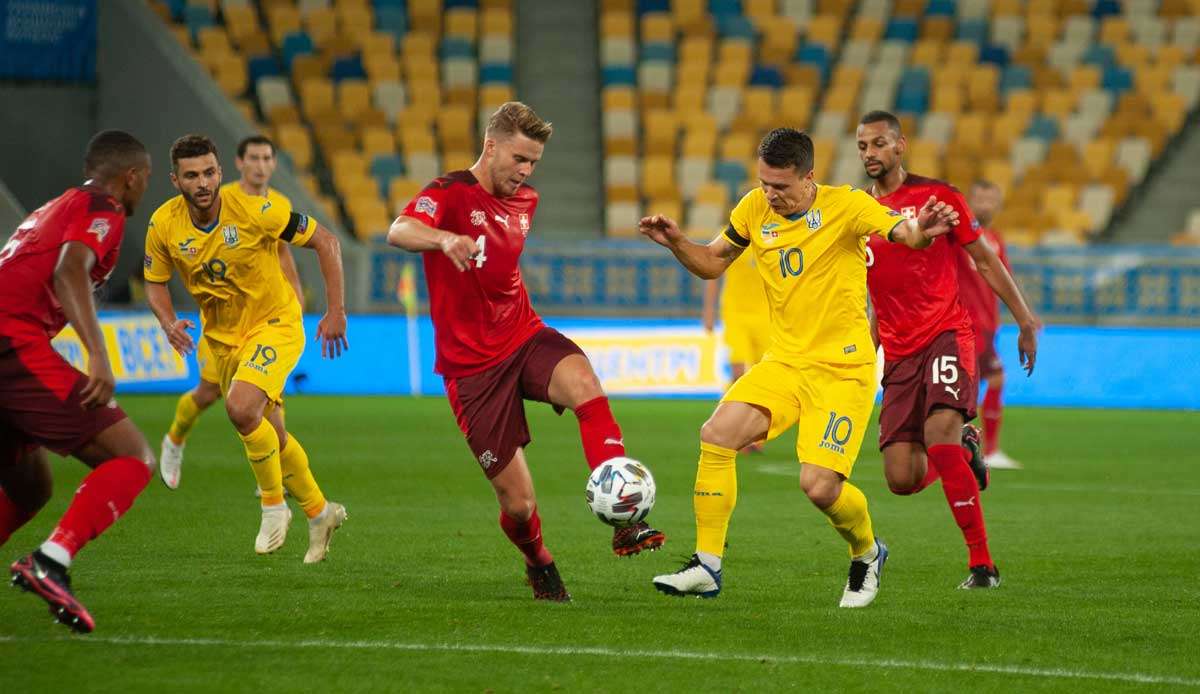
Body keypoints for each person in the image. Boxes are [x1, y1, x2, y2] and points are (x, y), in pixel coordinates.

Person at [644, 127, 961, 608]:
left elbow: (904, 233)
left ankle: (867, 553)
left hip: (842, 371)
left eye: (781, 187)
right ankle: (707, 567)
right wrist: (676, 242)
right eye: (764, 183)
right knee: (717, 433)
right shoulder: (753, 208)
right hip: (786, 362)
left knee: (818, 486)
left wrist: (924, 230)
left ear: (809, 177)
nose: (770, 195)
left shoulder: (848, 206)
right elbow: (712, 262)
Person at [386, 102, 666, 602]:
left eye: (534, 163)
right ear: (491, 145)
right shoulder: (448, 192)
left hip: (523, 335)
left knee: (585, 384)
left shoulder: (526, 201)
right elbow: (399, 230)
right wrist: (444, 238)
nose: (526, 171)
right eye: (519, 158)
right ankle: (538, 561)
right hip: (472, 369)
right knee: (519, 504)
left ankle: (624, 519)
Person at [856, 110, 1039, 590]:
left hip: (946, 334)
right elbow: (878, 295)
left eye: (878, 144)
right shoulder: (860, 213)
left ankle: (983, 565)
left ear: (900, 145)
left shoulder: (937, 197)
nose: (870, 154)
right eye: (862, 146)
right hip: (898, 351)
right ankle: (966, 445)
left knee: (938, 434)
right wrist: (865, 350)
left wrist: (1024, 319)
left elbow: (984, 259)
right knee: (901, 476)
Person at [144, 134, 348, 563]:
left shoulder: (259, 209)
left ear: (221, 173)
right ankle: (318, 512)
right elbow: (155, 281)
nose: (202, 183)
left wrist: (335, 311)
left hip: (275, 323)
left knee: (239, 408)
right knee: (271, 433)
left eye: (208, 173)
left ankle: (273, 506)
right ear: (175, 180)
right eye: (191, 175)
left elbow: (326, 242)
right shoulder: (163, 224)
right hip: (222, 339)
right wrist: (166, 321)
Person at [1, 130, 156, 633]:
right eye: (146, 180)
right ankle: (51, 561)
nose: (143, 191)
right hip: (10, 342)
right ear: (131, 177)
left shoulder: (57, 204)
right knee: (131, 456)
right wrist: (97, 352)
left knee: (29, 485)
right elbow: (71, 272)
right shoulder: (104, 207)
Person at [159, 135, 304, 490]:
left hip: (266, 319)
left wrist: (296, 300)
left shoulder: (278, 203)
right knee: (208, 393)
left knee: (267, 396)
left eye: (267, 158)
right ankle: (174, 439)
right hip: (223, 325)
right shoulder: (220, 200)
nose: (261, 165)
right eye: (253, 157)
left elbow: (283, 255)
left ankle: (269, 476)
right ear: (238, 164)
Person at [959, 180, 1021, 470]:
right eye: (979, 198)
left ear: (998, 204)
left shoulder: (995, 238)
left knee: (990, 381)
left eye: (990, 199)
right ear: (970, 200)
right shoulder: (959, 235)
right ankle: (979, 450)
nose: (985, 204)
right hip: (965, 325)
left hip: (987, 326)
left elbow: (1005, 279)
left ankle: (984, 450)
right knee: (969, 388)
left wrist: (1025, 314)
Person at [701, 249, 770, 453]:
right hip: (735, 314)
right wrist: (708, 311)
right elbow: (712, 275)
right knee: (738, 374)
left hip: (766, 315)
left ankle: (754, 435)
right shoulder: (731, 236)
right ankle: (728, 430)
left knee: (765, 379)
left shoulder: (771, 234)